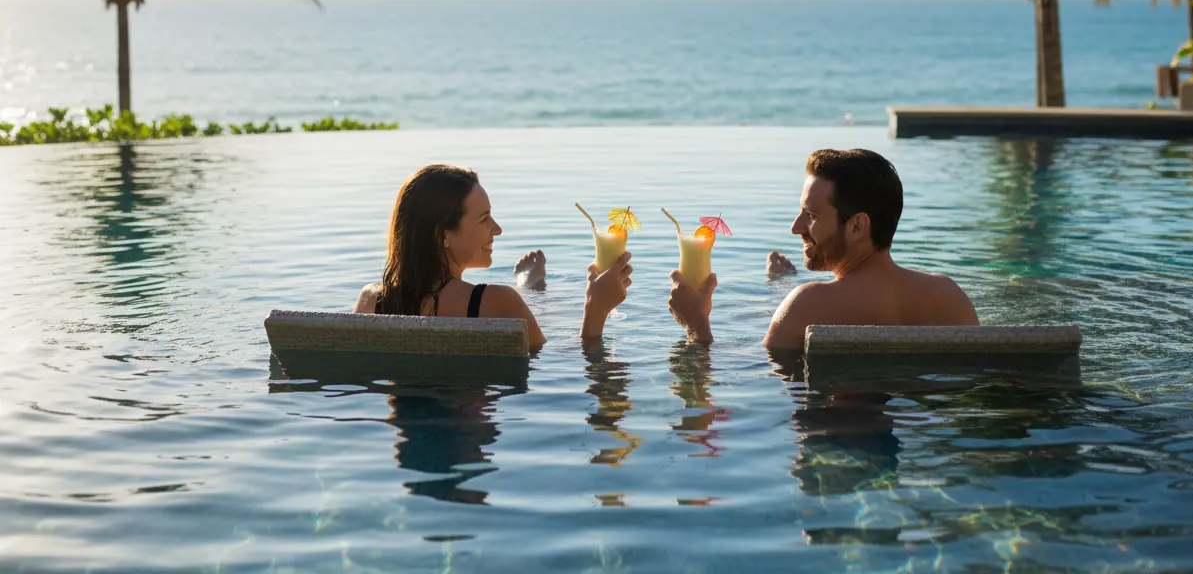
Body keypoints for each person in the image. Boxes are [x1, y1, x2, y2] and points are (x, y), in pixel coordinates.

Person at [667, 148, 978, 349]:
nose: (796, 227)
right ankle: (778, 285)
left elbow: (743, 391)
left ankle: (776, 286)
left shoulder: (808, 305)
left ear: (857, 226)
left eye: (811, 216)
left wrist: (696, 325)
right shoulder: (949, 297)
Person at [355, 164, 631, 345]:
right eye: (484, 218)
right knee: (549, 310)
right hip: (471, 425)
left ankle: (531, 285)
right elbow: (568, 367)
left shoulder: (371, 302)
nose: (497, 230)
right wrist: (596, 309)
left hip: (404, 427)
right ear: (443, 236)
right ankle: (531, 287)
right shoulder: (499, 302)